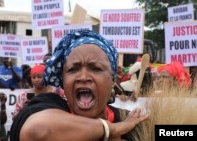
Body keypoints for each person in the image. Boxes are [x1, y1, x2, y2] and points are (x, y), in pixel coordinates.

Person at [10, 30, 149, 141]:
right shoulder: (45, 106)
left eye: (95, 68)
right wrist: (112, 130)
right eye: (73, 69)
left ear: (113, 80)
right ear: (63, 81)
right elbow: (38, 131)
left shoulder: (130, 121)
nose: (83, 77)